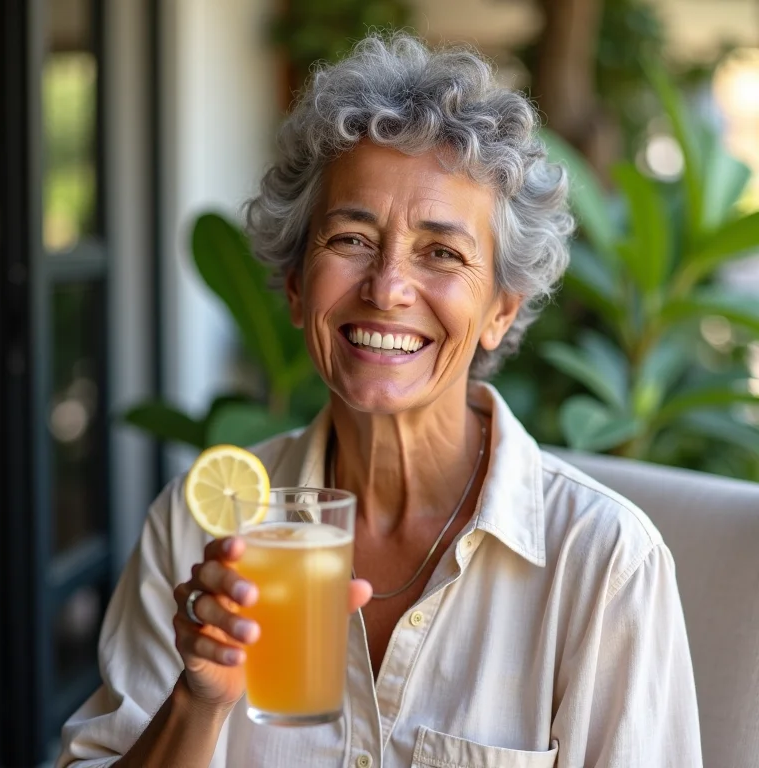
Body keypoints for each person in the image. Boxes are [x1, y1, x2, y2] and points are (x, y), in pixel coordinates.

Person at [58, 33, 702, 768]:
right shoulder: (199, 526)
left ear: (499, 309)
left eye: (441, 252)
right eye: (352, 238)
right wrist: (197, 700)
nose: (388, 287)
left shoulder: (603, 563)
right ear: (298, 288)